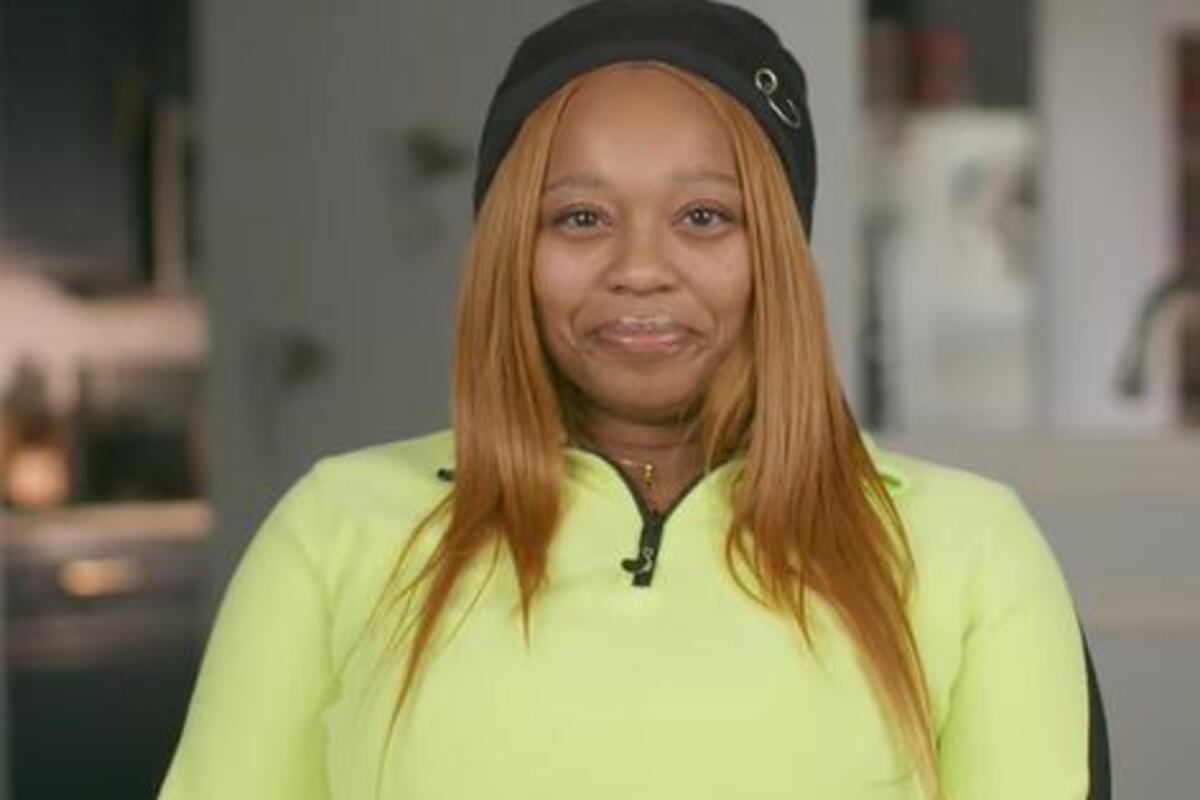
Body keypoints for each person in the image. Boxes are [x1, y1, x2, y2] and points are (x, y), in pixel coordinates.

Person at [157, 2, 1095, 798]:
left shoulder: (973, 553)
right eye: (580, 217)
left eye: (704, 216)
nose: (640, 267)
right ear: (511, 253)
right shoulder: (332, 532)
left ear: (774, 252)